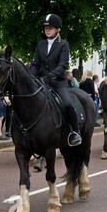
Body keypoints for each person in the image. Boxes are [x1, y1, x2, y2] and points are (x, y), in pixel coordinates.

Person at [29, 13, 82, 146]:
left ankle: (75, 132)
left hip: (58, 83)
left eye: (50, 28)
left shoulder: (63, 44)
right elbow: (36, 64)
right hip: (41, 82)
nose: (47, 30)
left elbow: (62, 64)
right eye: (46, 28)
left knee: (67, 104)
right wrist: (31, 76)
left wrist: (50, 76)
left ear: (57, 29)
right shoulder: (40, 44)